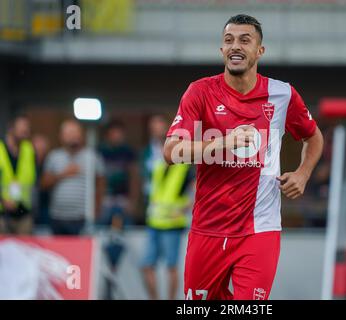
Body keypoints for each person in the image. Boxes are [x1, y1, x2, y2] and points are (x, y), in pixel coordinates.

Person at [163, 14, 323, 300]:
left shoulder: (282, 94)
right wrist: (224, 142)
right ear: (222, 50)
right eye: (229, 40)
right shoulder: (199, 92)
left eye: (244, 40)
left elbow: (314, 136)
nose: (235, 46)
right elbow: (171, 152)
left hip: (260, 228)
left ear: (259, 51)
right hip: (208, 228)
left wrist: (303, 173)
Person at [141, 115, 195, 300]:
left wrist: (186, 208)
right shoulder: (157, 159)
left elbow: (197, 191)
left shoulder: (186, 165)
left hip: (173, 223)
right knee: (147, 266)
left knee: (171, 267)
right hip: (154, 221)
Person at [41, 120, 106, 235]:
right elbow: (43, 184)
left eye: (76, 133)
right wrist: (63, 174)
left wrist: (97, 209)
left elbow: (100, 185)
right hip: (58, 217)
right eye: (69, 133)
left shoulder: (92, 157)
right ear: (61, 136)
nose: (73, 136)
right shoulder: (54, 156)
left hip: (82, 217)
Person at [98, 121, 138, 227]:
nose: (116, 136)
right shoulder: (101, 151)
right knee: (102, 228)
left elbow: (134, 178)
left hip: (123, 198)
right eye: (113, 133)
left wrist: (132, 201)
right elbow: (98, 178)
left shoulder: (128, 152)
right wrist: (98, 201)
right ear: (107, 135)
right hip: (106, 198)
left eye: (118, 133)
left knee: (127, 228)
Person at [0, 115, 36, 235]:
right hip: (2, 213)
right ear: (11, 129)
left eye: (27, 130)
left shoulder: (29, 149)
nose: (25, 133)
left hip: (24, 212)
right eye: (21, 130)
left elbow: (33, 180)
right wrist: (3, 200)